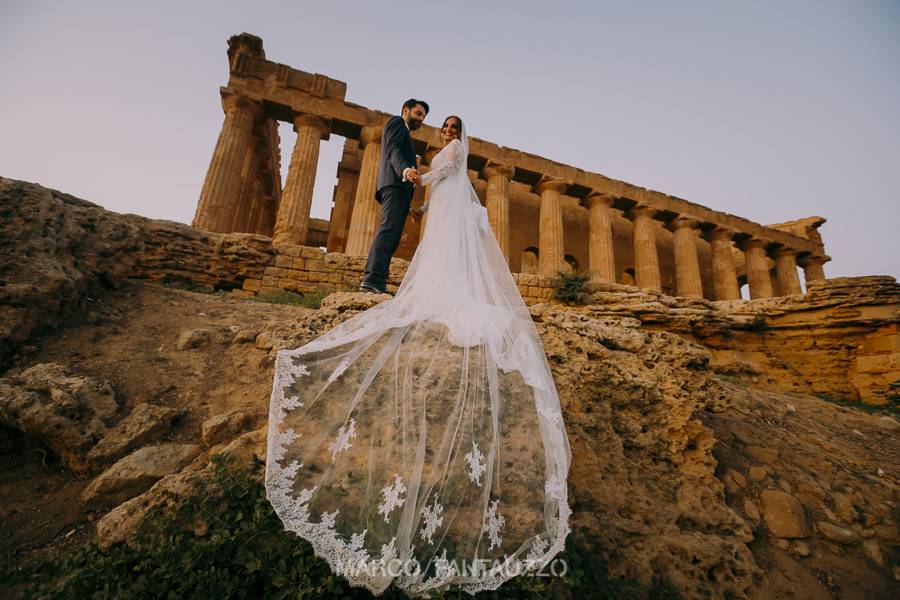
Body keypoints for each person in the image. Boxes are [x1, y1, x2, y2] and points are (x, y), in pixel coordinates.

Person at [266, 114, 571, 596]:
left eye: (450, 125)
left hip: (440, 201)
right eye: (440, 125)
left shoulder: (449, 154)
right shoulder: (427, 145)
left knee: (440, 258)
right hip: (441, 207)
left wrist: (417, 175)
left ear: (457, 132)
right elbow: (430, 177)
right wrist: (416, 181)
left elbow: (436, 173)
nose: (444, 130)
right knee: (436, 250)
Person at [360, 99, 428, 295]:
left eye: (423, 116)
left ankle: (377, 280)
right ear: (406, 111)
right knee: (388, 231)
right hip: (395, 183)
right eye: (418, 113)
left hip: (399, 189)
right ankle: (371, 278)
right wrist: (405, 170)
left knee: (394, 236)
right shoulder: (397, 122)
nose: (421, 118)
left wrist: (407, 208)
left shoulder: (405, 132)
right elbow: (394, 151)